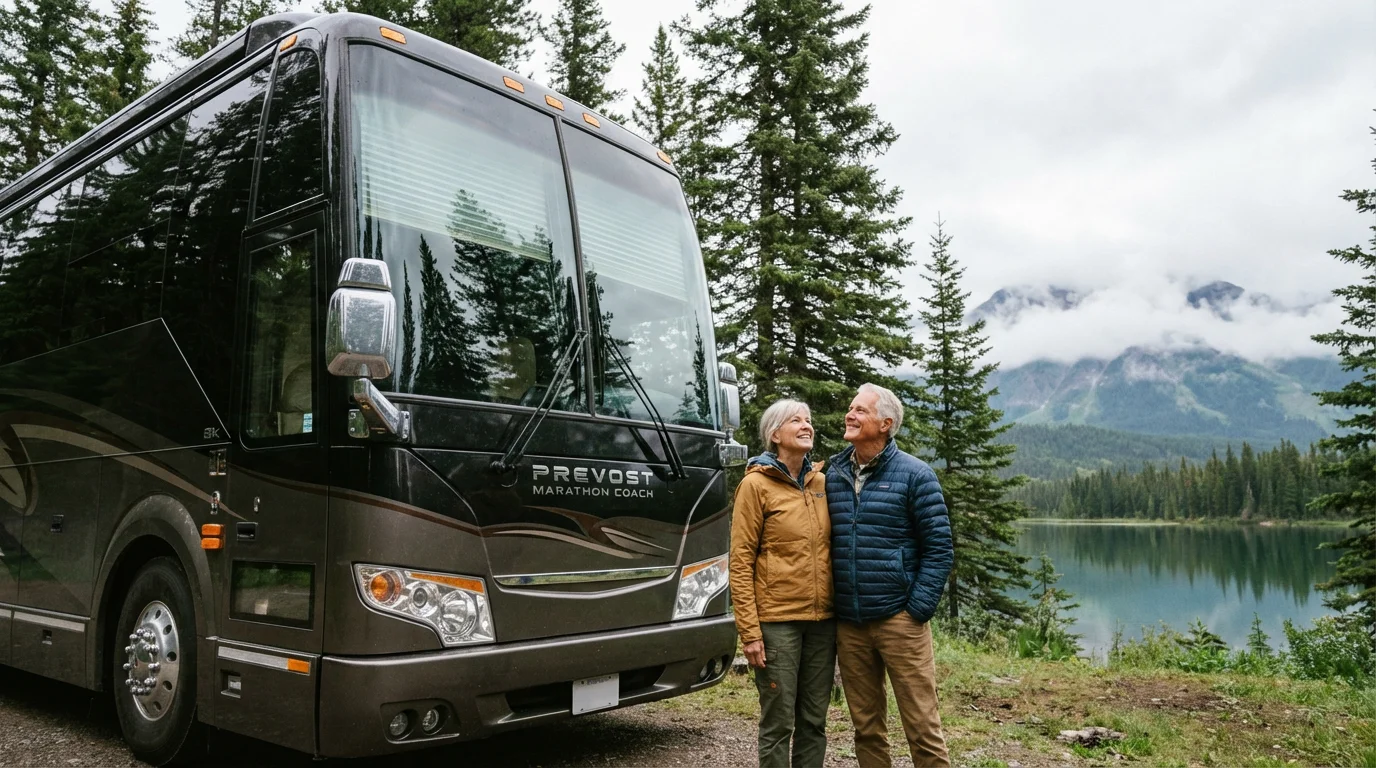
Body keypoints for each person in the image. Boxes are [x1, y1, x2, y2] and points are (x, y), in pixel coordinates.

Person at [827, 383, 954, 768]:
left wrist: (916, 610)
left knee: (922, 726)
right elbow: (787, 474)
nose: (850, 415)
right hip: (850, 624)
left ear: (885, 424)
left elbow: (940, 548)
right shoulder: (832, 472)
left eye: (860, 410)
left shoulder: (916, 475)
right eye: (850, 408)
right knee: (866, 728)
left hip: (900, 620)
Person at [729, 398, 835, 768]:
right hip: (777, 624)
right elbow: (740, 562)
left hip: (823, 623)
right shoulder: (755, 485)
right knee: (778, 722)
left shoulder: (821, 481)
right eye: (796, 420)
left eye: (809, 420)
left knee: (814, 720)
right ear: (775, 434)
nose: (807, 425)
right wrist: (750, 633)